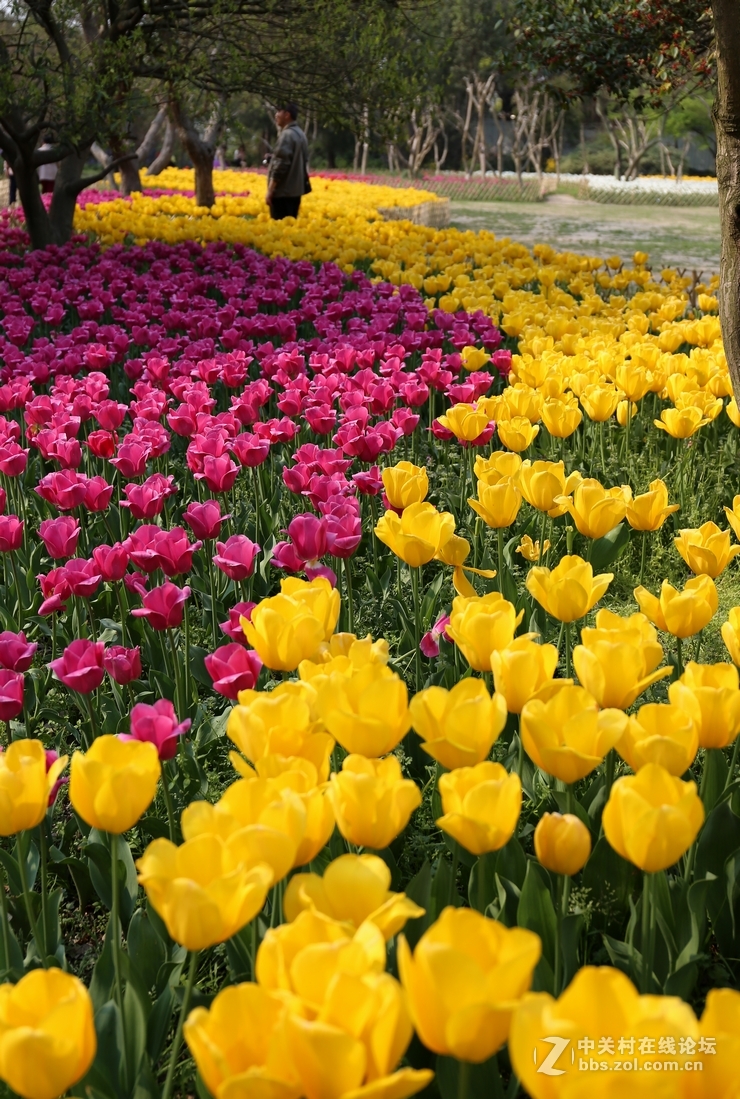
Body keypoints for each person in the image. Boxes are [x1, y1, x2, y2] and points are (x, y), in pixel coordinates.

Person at [266, 104, 310, 220]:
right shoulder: (300, 134)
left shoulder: (287, 135)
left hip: (283, 193)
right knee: (290, 229)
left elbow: (281, 165)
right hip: (295, 192)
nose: (276, 115)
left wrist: (270, 190)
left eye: (278, 111)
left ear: (287, 115)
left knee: (279, 232)